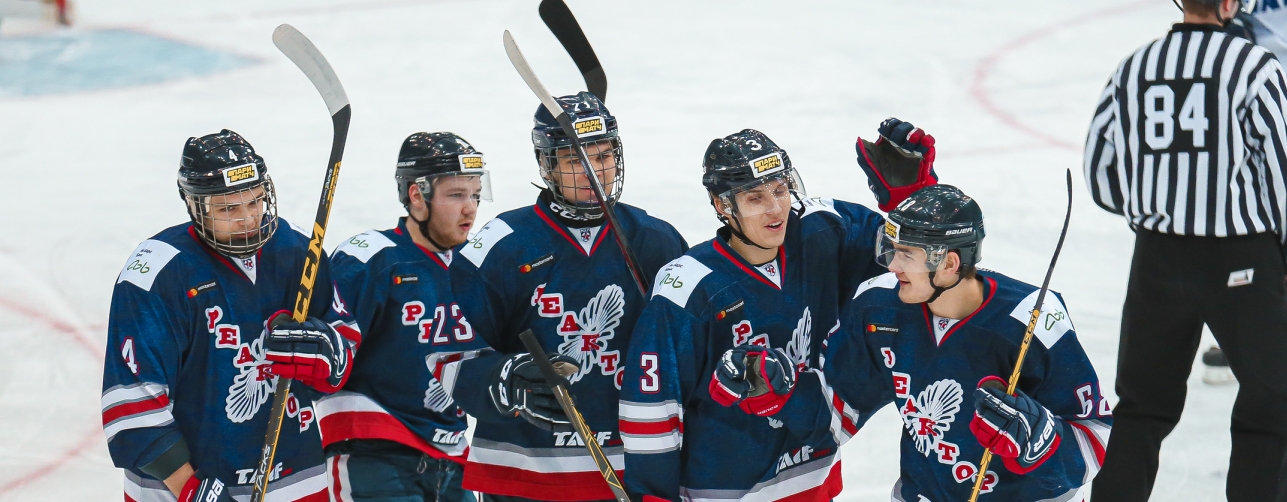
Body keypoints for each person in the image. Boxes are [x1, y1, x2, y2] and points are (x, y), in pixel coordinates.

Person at [617, 121, 939, 500]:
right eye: (755, 198)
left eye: (780, 190)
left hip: (813, 482)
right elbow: (652, 408)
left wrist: (914, 201)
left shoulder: (825, 229)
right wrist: (653, 495)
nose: (775, 209)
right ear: (722, 205)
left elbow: (925, 273)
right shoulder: (689, 287)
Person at [1083, 0, 1287, 499]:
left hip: (1156, 258)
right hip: (1241, 260)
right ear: (1229, 4)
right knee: (1272, 402)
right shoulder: (1255, 66)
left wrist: (1160, 210)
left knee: (1141, 407)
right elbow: (1282, 170)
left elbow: (1100, 173)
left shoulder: (1134, 67)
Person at [443, 92, 688, 501]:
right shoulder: (502, 244)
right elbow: (449, 351)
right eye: (576, 160)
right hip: (523, 475)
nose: (595, 172)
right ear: (546, 166)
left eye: (604, 156)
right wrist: (502, 380)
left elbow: (690, 355)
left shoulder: (656, 240)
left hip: (634, 469)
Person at [801, 185, 1111, 501]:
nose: (892, 265)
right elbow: (836, 407)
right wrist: (779, 389)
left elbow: (1094, 439)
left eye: (907, 254)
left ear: (949, 264)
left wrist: (1040, 441)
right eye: (892, 249)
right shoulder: (878, 306)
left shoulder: (1031, 320)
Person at [101, 130, 359, 501]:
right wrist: (191, 490)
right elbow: (132, 402)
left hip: (296, 479)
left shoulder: (297, 249)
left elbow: (344, 343)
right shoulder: (158, 274)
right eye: (228, 209)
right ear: (195, 206)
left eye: (255, 202)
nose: (248, 218)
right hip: (184, 489)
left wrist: (331, 355)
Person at [313, 132, 495, 502]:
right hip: (375, 452)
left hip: (453, 455)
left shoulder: (480, 266)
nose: (471, 209)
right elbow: (325, 362)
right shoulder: (369, 260)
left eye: (475, 194)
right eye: (456, 195)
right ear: (417, 195)